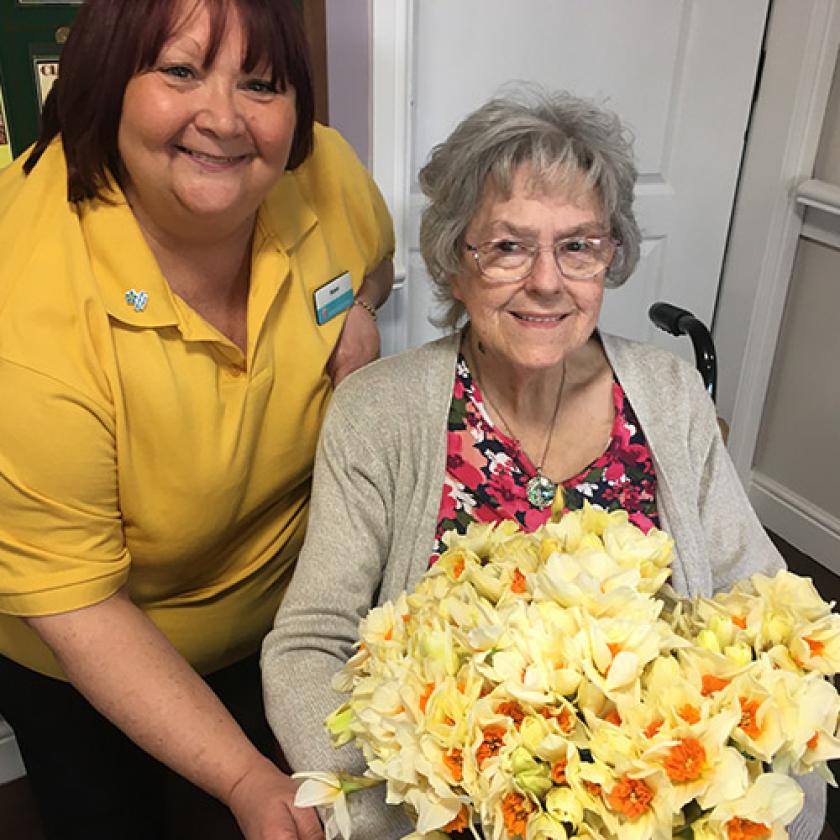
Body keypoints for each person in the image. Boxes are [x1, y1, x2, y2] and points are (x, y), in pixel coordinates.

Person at [262, 90, 826, 839]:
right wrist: (403, 816)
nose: (548, 280)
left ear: (610, 256)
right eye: (507, 246)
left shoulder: (668, 392)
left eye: (579, 245)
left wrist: (726, 804)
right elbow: (309, 643)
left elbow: (761, 606)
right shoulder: (377, 413)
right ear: (453, 261)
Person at [0, 0, 394, 837]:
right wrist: (247, 779)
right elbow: (80, 608)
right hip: (87, 651)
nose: (224, 119)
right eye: (179, 71)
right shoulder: (23, 316)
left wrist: (357, 305)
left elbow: (374, 262)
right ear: (105, 84)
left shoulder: (322, 170)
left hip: (280, 616)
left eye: (260, 83)